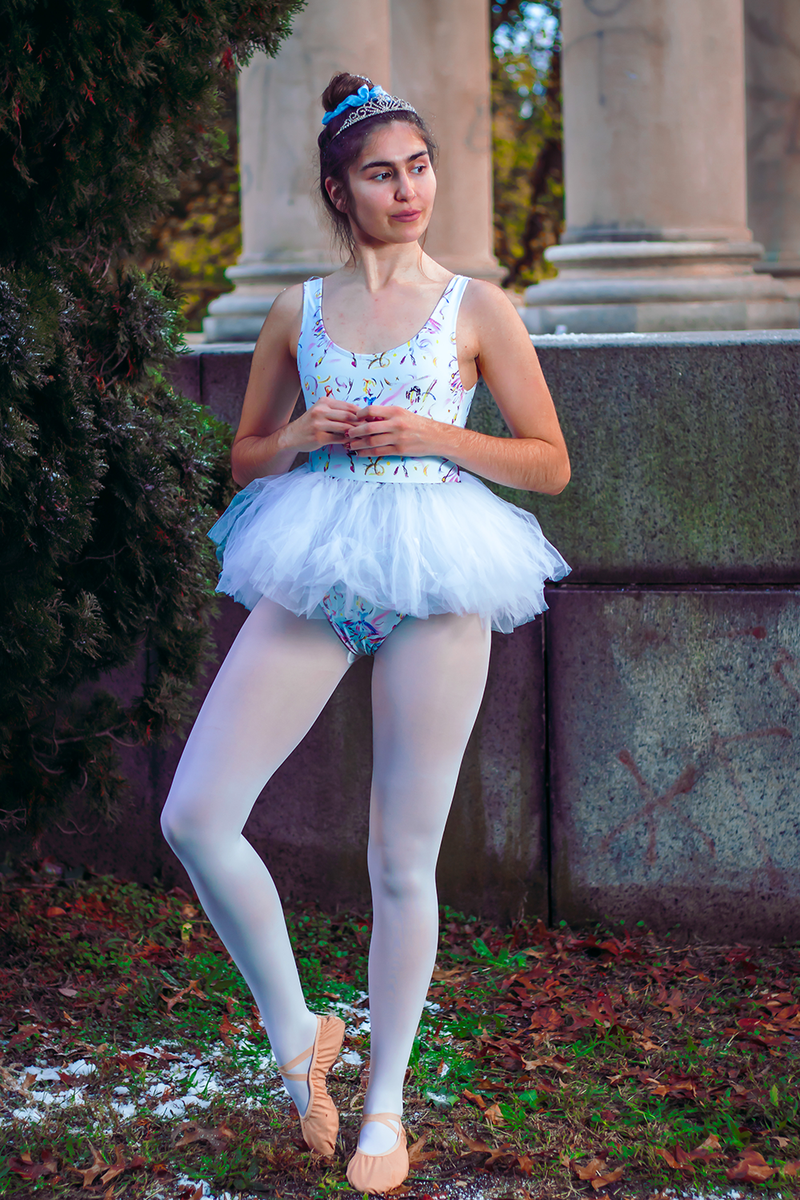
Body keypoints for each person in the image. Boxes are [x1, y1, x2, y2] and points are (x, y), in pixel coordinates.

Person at [161, 72, 570, 1194]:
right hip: (316, 554)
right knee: (195, 814)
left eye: (419, 167)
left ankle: (384, 1102)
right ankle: (300, 1037)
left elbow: (548, 461)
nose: (407, 190)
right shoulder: (296, 308)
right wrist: (300, 432)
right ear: (339, 191)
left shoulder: (477, 306)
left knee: (401, 857)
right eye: (382, 174)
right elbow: (245, 454)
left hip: (439, 564)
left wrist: (434, 429)